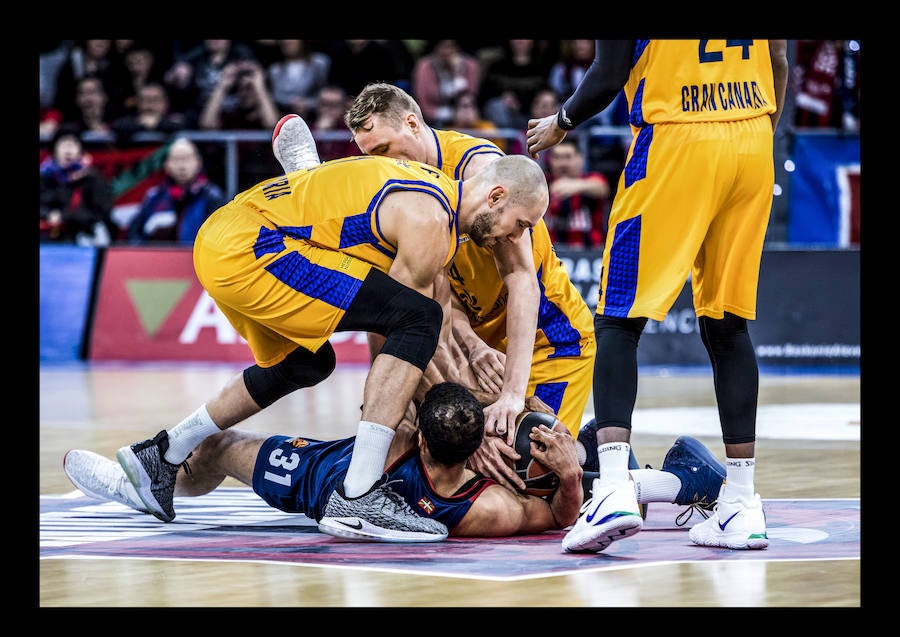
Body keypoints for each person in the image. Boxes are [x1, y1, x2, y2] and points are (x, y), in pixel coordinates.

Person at [114, 138, 549, 543]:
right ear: (495, 196)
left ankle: (163, 453)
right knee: (417, 318)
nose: (514, 239)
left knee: (307, 362)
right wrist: (459, 426)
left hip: (224, 240)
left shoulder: (428, 188)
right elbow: (393, 336)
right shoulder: (431, 220)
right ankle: (358, 495)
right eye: (520, 225)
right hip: (254, 246)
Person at [526, 39, 789, 552]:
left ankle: (614, 487)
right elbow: (777, 59)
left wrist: (561, 120)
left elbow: (608, 73)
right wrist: (756, 136)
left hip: (676, 139)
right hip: (753, 137)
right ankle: (740, 501)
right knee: (728, 324)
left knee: (618, 319)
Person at [276, 83, 595, 493]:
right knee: (448, 461)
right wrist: (465, 346)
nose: (379, 162)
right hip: (477, 339)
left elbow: (521, 281)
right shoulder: (404, 192)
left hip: (547, 337)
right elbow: (431, 296)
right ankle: (313, 183)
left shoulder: (479, 171)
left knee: (530, 476)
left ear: (412, 123)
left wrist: (514, 395)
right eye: (368, 155)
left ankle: (635, 476)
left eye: (384, 149)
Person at [64, 383, 727, 539]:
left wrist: (573, 478)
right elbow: (557, 516)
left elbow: (566, 520)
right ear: (479, 446)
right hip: (341, 484)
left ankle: (158, 487)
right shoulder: (486, 501)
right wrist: (571, 475)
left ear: (410, 426)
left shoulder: (405, 437)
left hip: (326, 481)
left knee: (215, 447)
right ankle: (680, 476)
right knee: (567, 455)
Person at [127, 137, 227, 244]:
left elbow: (219, 238)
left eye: (186, 159)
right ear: (167, 165)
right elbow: (135, 234)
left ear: (198, 162)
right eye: (176, 159)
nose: (181, 166)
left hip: (197, 257)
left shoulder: (212, 196)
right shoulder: (154, 196)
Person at [39, 127, 115, 245]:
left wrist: (65, 216)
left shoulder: (92, 178)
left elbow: (102, 213)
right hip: (49, 235)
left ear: (81, 151)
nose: (68, 152)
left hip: (85, 235)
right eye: (63, 145)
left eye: (73, 145)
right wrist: (48, 215)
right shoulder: (44, 177)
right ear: (54, 150)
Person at [543, 138, 610, 249]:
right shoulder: (543, 182)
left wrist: (574, 185)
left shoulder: (593, 179)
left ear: (580, 159)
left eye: (568, 157)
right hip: (551, 253)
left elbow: (602, 188)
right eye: (557, 157)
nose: (562, 163)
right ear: (550, 161)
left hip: (589, 255)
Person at [411, 39, 481, 128]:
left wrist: (457, 73)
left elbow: (470, 96)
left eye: (451, 47)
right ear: (436, 47)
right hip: (433, 116)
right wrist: (444, 114)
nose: (447, 51)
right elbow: (421, 99)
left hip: (462, 114)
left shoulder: (469, 65)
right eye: (444, 47)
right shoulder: (425, 66)